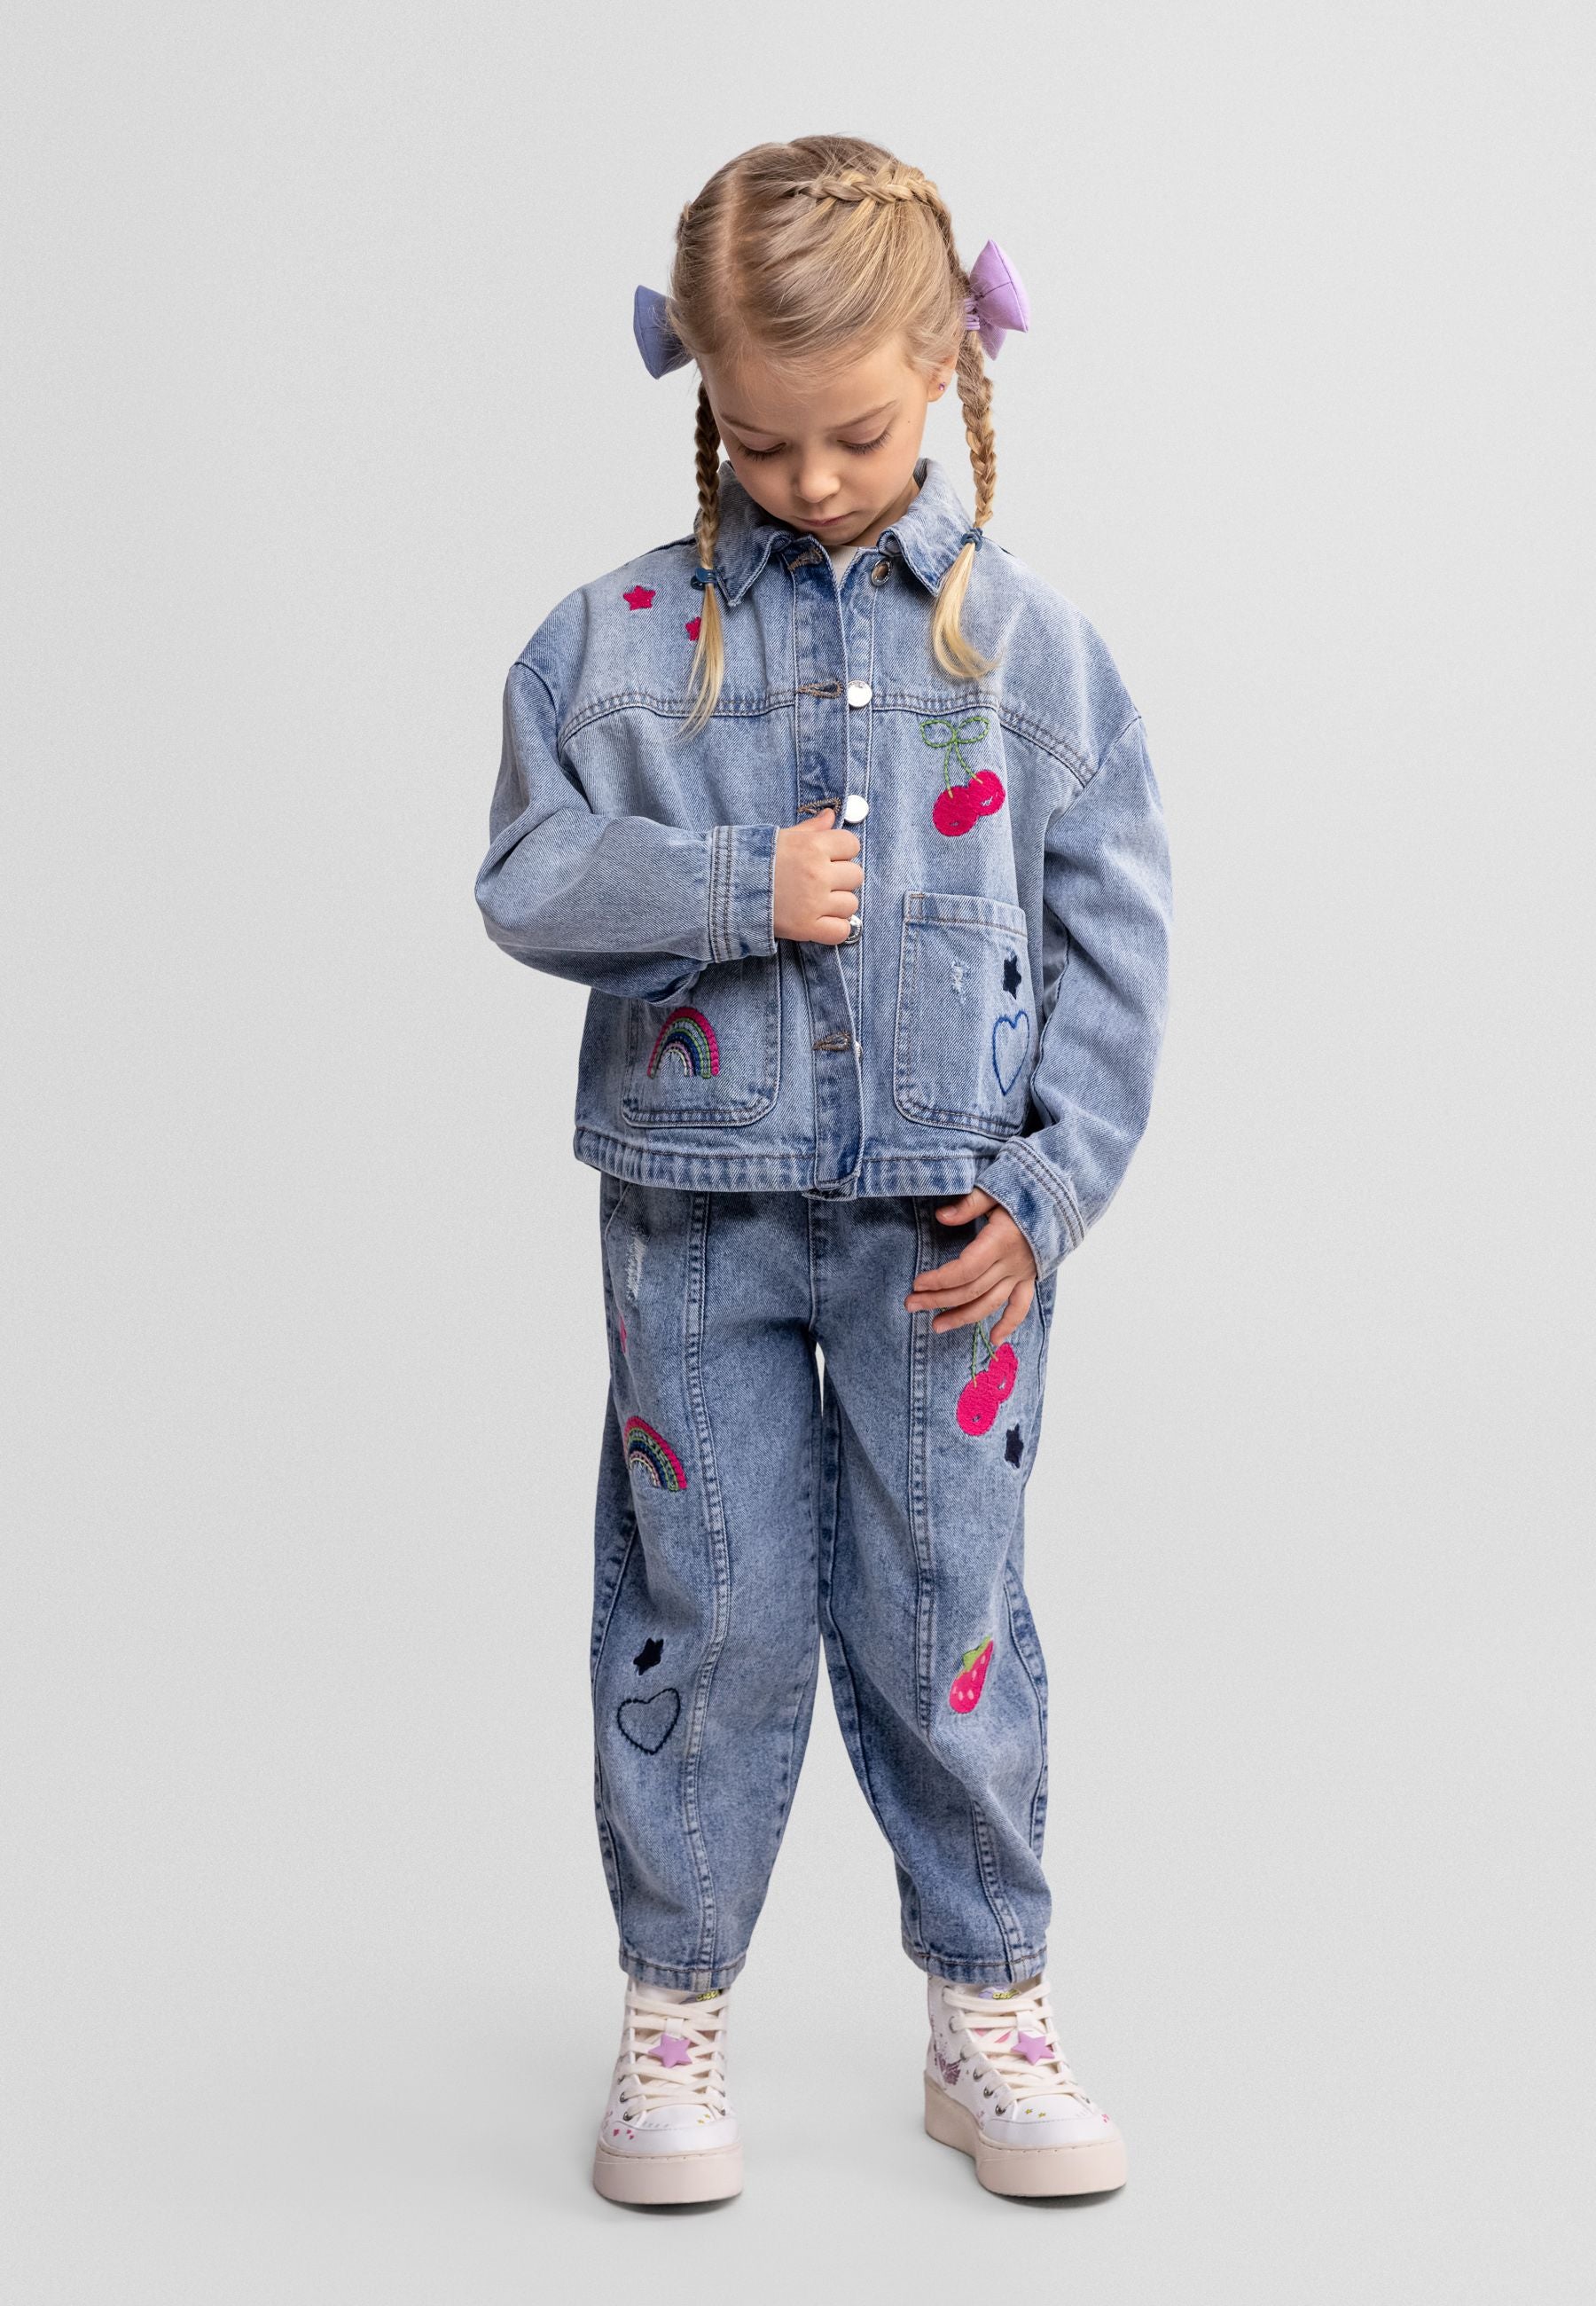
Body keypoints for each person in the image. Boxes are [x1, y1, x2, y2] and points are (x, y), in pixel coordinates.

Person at [473, 134, 1173, 2206]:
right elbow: (520, 872)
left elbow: (1120, 946)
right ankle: (673, 2010)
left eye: (851, 435)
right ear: (703, 397)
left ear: (953, 363)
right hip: (696, 1230)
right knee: (717, 1610)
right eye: (757, 445)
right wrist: (720, 881)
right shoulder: (616, 646)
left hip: (947, 1246)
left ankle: (990, 2005)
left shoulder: (1031, 655)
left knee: (949, 1611)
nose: (808, 482)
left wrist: (1047, 1201)